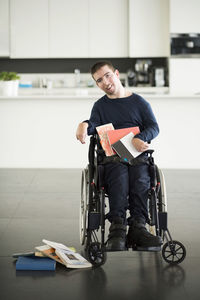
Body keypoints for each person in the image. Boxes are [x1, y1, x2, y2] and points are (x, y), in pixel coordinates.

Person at [76, 61, 162, 251]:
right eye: (99, 80)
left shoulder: (139, 102)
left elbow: (154, 127)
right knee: (119, 177)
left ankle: (138, 227)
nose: (105, 82)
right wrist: (83, 124)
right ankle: (117, 227)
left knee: (140, 179)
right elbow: (93, 126)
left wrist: (141, 137)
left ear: (116, 73)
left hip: (137, 156)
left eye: (107, 75)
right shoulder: (100, 106)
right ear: (97, 85)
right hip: (112, 159)